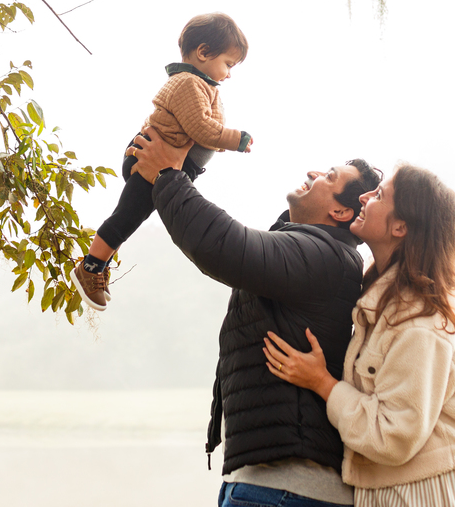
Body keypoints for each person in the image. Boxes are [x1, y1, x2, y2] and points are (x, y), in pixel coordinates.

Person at [129, 130, 384, 507]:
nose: (313, 173)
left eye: (329, 177)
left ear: (341, 212)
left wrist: (168, 176)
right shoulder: (313, 251)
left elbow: (224, 245)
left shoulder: (324, 256)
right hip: (268, 486)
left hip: (285, 490)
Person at [262, 165, 455, 507]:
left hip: (427, 495)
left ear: (400, 227)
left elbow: (392, 436)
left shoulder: (421, 320)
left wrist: (322, 383)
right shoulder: (385, 299)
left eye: (379, 195)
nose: (363, 197)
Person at [75, 13, 254, 310]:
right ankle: (89, 268)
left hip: (166, 165)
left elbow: (204, 130)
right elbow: (201, 128)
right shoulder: (188, 84)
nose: (229, 74)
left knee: (132, 218)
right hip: (151, 160)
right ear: (203, 52)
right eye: (228, 64)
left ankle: (99, 265)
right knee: (126, 217)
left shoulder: (201, 84)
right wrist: (236, 140)